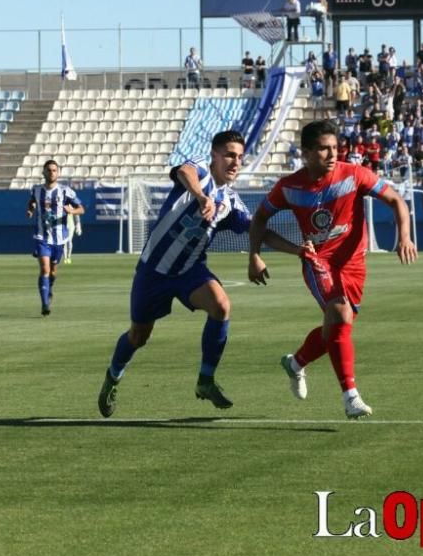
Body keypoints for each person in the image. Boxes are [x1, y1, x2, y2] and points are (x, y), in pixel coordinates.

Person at [96, 130, 300, 417]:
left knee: (221, 306)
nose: (235, 162)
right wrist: (201, 197)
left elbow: (259, 231)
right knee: (138, 336)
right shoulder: (200, 171)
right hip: (153, 271)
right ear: (214, 155)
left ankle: (205, 379)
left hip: (190, 270)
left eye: (240, 157)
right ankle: (113, 377)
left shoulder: (230, 201)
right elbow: (184, 171)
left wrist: (299, 251)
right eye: (229, 155)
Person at [247, 120, 417, 419]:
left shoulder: (354, 175)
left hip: (353, 265)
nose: (332, 154)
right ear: (307, 153)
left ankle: (296, 363)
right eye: (324, 149)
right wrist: (255, 255)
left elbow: (395, 200)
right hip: (318, 262)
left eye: (335, 148)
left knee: (337, 328)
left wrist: (404, 236)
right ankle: (350, 397)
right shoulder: (289, 187)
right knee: (340, 315)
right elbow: (259, 220)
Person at [26, 160, 86, 316]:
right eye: (49, 170)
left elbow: (82, 209)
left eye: (54, 170)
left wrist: (71, 211)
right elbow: (32, 202)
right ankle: (45, 304)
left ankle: (49, 288)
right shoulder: (36, 190)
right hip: (42, 237)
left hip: (59, 239)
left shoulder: (66, 191)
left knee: (53, 272)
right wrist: (31, 210)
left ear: (58, 173)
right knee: (44, 269)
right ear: (43, 173)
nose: (51, 173)